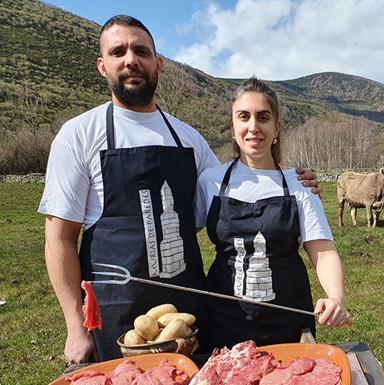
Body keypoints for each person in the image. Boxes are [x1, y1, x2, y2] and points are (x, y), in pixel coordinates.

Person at [39, 15, 319, 364]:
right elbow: (59, 239)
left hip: (186, 311)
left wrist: (292, 183)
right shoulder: (79, 135)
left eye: (141, 51)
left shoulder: (187, 138)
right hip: (116, 315)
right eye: (118, 52)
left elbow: (235, 191)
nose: (130, 60)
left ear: (158, 64)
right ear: (102, 65)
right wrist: (74, 328)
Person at [194, 77, 349, 351]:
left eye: (263, 117)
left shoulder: (299, 184)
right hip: (221, 320)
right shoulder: (210, 181)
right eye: (244, 117)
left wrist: (336, 297)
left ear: (276, 127)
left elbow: (322, 250)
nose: (253, 127)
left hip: (287, 320)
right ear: (233, 126)